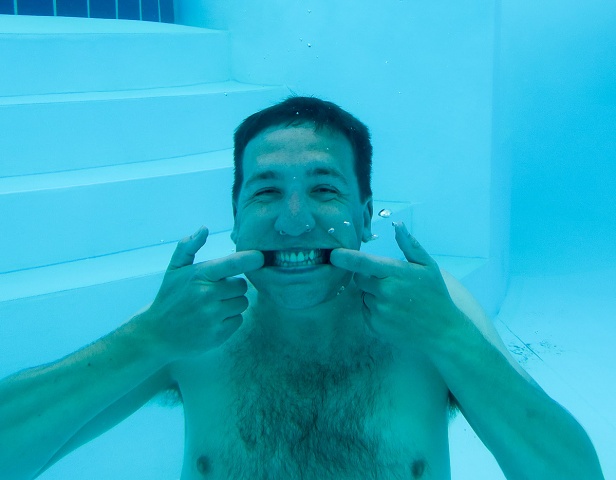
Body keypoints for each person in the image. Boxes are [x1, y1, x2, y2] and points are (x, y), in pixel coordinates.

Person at [0, 97, 604, 480]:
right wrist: (144, 341)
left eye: (324, 189)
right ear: (235, 219)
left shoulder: (432, 315)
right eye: (265, 191)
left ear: (365, 217)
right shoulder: (186, 324)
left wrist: (452, 340)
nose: (293, 222)